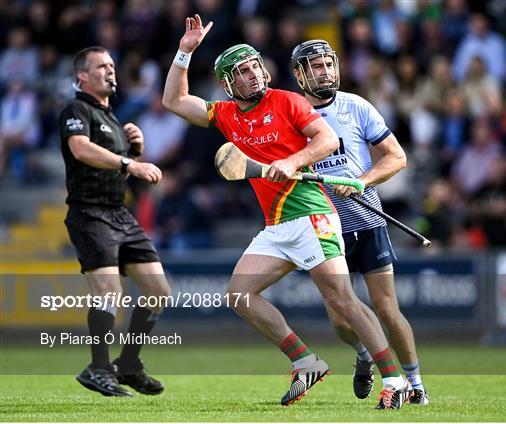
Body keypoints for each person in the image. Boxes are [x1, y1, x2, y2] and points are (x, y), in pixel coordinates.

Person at [163, 15, 410, 409]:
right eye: (242, 72)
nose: (253, 75)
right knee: (239, 296)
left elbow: (326, 140)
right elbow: (173, 101)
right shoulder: (226, 114)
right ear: (228, 83)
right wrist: (184, 53)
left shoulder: (287, 100)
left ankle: (394, 380)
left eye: (255, 67)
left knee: (343, 301)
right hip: (278, 225)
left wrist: (294, 161)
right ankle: (305, 360)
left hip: (313, 214)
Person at [290, 39, 429, 405]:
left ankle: (415, 383)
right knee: (339, 317)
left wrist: (361, 182)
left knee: (386, 308)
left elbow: (396, 158)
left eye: (328, 64)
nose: (325, 71)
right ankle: (365, 354)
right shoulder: (290, 114)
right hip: (323, 227)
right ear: (300, 75)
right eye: (316, 66)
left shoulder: (356, 106)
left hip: (368, 221)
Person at [59, 46, 170, 397]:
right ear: (83, 76)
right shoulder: (76, 109)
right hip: (89, 212)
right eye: (101, 66)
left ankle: (128, 364)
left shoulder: (114, 120)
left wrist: (132, 152)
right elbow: (80, 149)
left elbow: (114, 173)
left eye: (112, 64)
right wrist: (130, 163)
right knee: (109, 291)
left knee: (158, 292)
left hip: (119, 213)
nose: (111, 70)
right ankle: (98, 367)